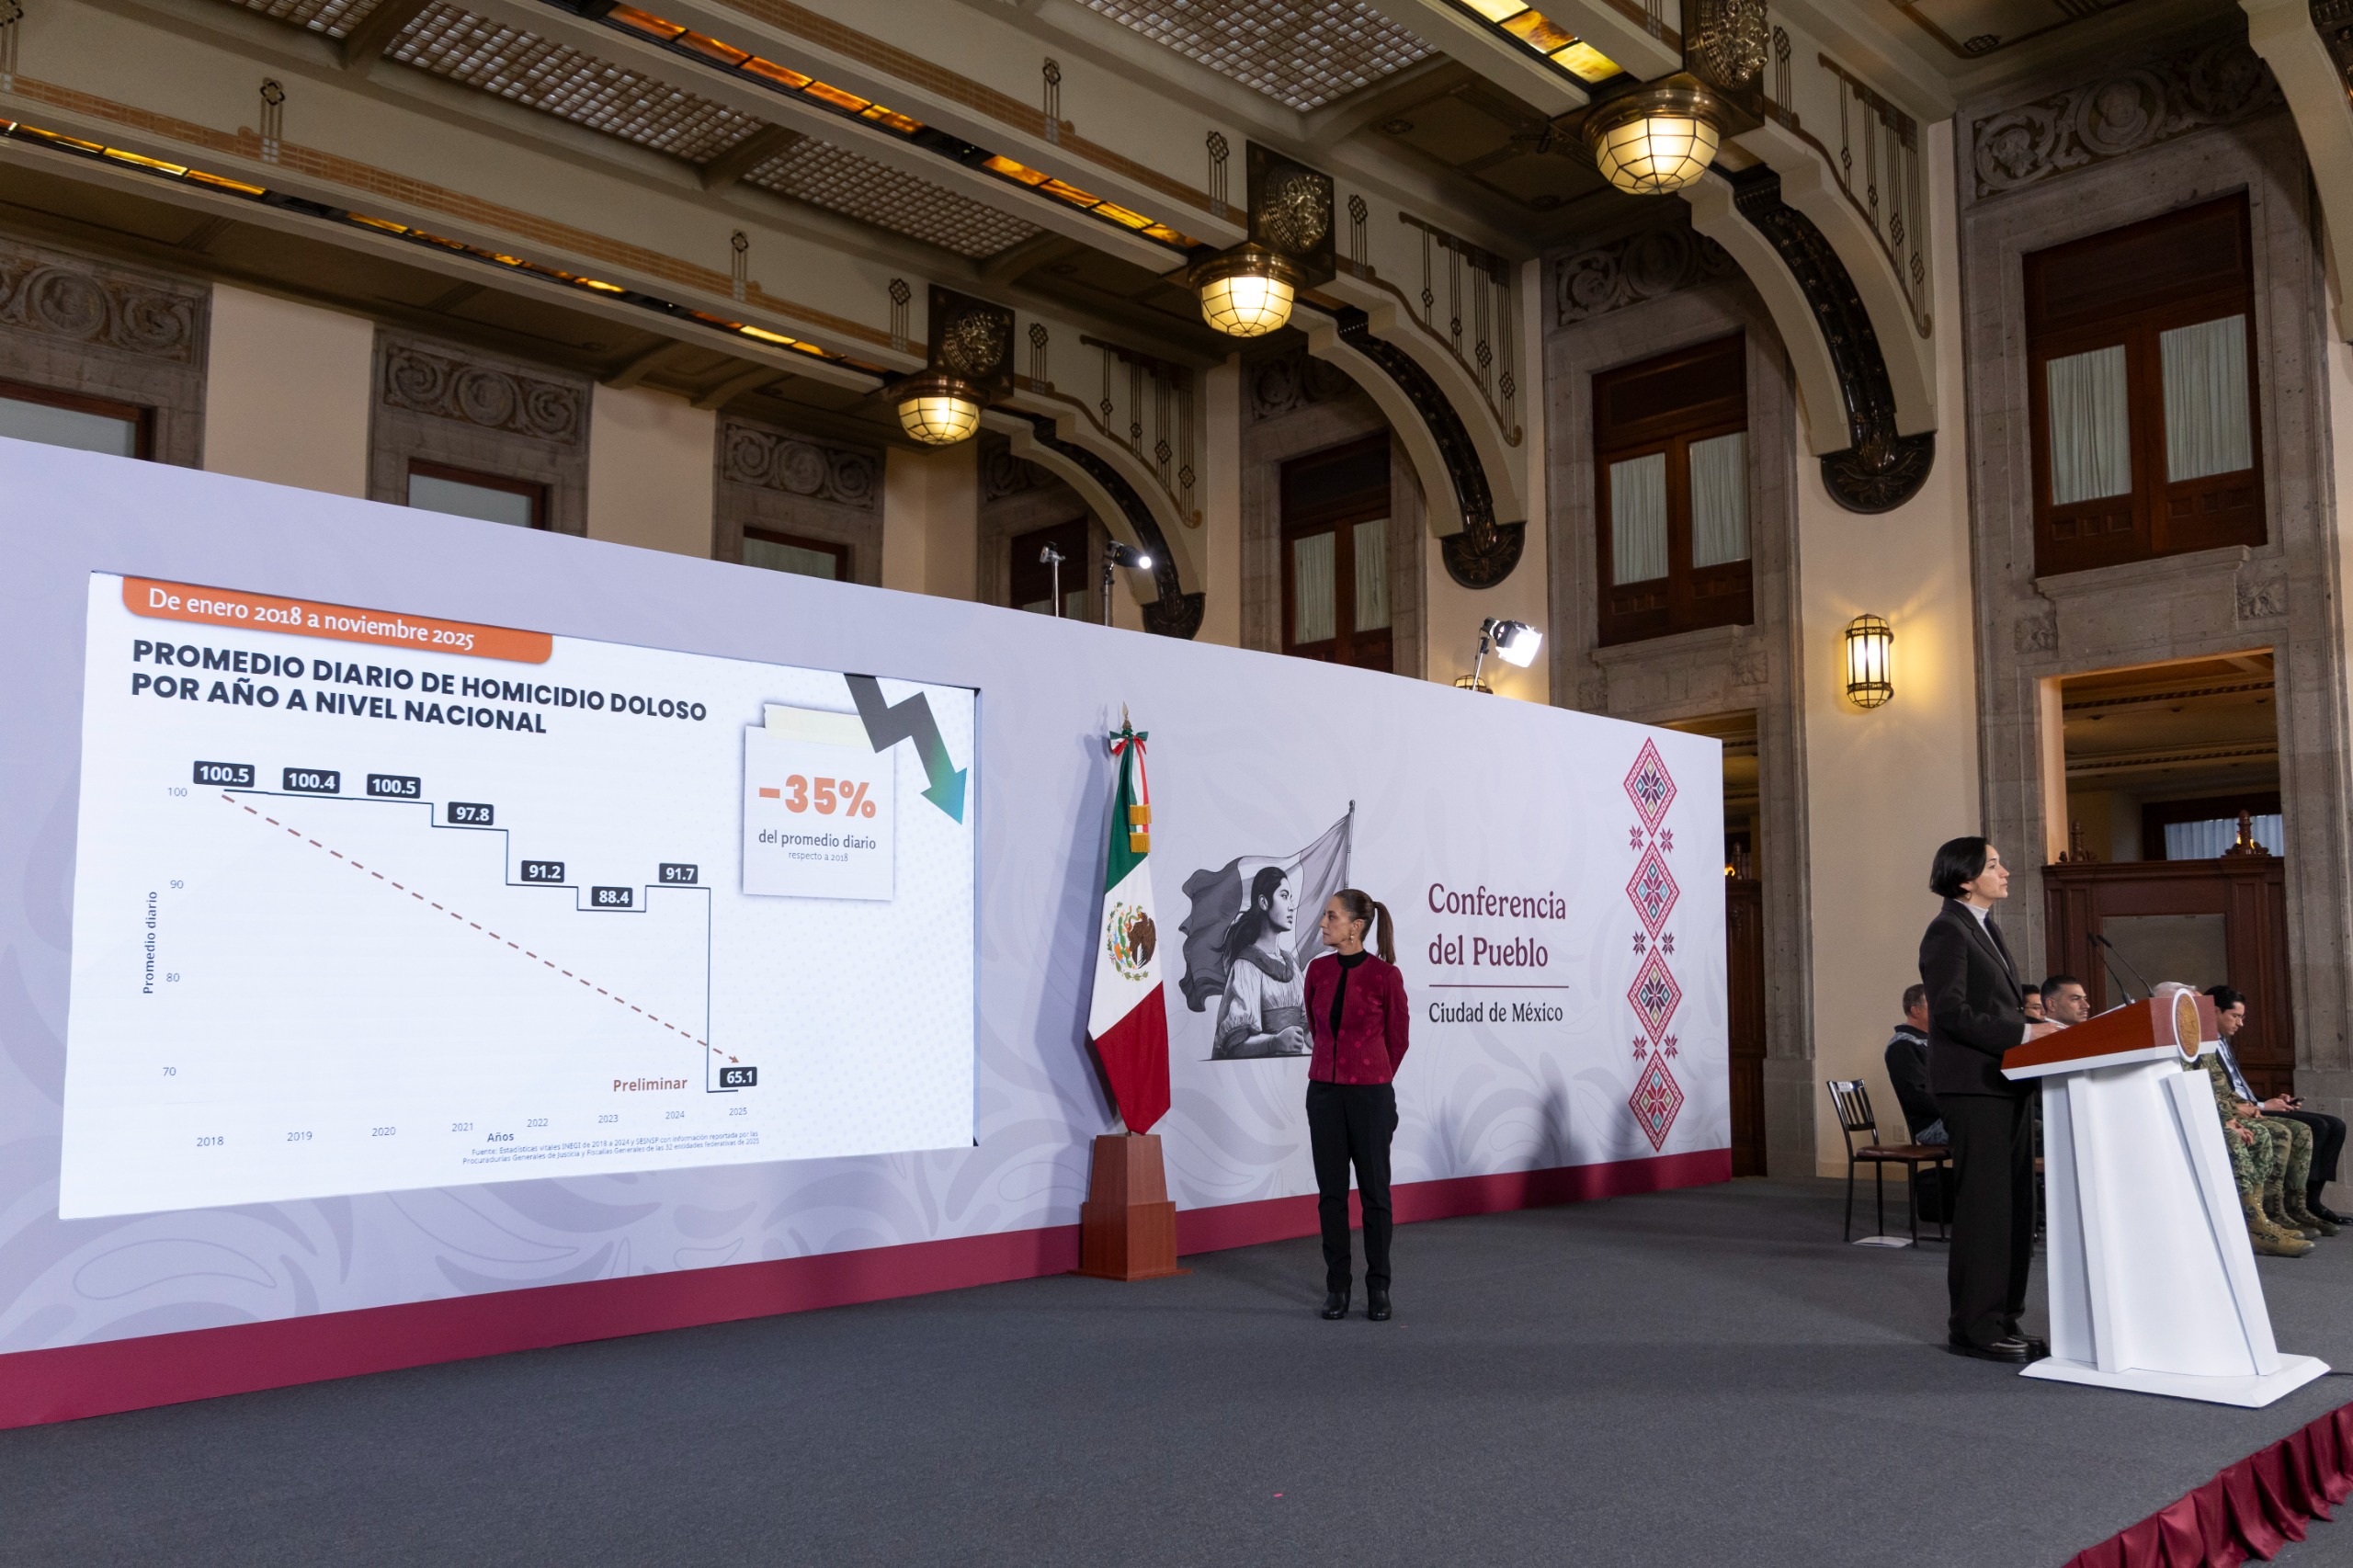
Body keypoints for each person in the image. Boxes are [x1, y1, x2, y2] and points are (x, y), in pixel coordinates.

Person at [1918, 836, 2060, 1364]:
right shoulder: (1946, 930)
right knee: (1986, 1210)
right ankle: (1974, 1328)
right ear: (1964, 878)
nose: (2005, 872)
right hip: (1973, 1086)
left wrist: (2034, 1026)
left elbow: (1991, 1006)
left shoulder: (1984, 926)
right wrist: (2023, 1034)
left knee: (2016, 1207)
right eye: (1994, 865)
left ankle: (2004, 1318)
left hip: (2004, 1083)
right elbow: (1950, 1012)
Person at [1302, 888, 1409, 1322]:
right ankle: (1338, 1287)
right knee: (1331, 1195)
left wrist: (1372, 1077)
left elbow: (1397, 1040)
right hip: (1324, 1095)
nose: (1323, 923)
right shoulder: (1318, 971)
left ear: (1356, 927)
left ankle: (1379, 1287)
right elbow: (1316, 1029)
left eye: (1331, 916)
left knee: (1375, 1194)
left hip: (1370, 1097)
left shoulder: (1385, 976)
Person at [2207, 985, 2342, 1236]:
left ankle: (2307, 1203)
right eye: (2235, 1016)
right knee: (2307, 1128)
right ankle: (2277, 1210)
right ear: (2215, 1011)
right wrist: (2261, 1106)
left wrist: (2267, 1101)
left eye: (2242, 1017)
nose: (2240, 1023)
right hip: (2235, 1111)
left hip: (2250, 1104)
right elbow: (2218, 1095)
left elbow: (2239, 1089)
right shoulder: (2200, 1047)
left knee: (2335, 1124)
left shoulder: (2223, 1042)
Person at [1211, 867, 1309, 1059]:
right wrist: (1275, 1042)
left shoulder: (1291, 965)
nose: (1291, 906)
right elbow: (1235, 1044)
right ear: (1264, 902)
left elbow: (1307, 1029)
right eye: (1284, 896)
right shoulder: (1246, 966)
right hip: (1260, 1071)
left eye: (1290, 898)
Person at [1884, 984, 1945, 1145]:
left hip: (1947, 1116)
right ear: (1916, 1011)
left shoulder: (1930, 1041)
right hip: (1931, 1125)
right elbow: (1916, 1095)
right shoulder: (1903, 1045)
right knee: (1985, 1128)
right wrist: (1954, 1106)